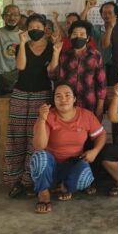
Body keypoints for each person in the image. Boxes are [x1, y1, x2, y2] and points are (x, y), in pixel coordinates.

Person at [30, 82, 106, 213]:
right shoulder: (48, 116)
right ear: (54, 100)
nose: (63, 99)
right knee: (39, 156)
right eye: (58, 96)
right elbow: (39, 146)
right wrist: (42, 119)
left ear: (74, 98)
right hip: (50, 167)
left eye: (67, 95)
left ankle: (65, 187)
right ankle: (43, 193)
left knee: (86, 175)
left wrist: (95, 151)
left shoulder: (86, 115)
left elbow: (101, 135)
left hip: (73, 164)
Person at [5, 13, 55, 197]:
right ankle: (14, 181)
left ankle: (29, 180)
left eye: (38, 27)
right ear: (26, 29)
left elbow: (53, 72)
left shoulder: (51, 47)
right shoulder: (22, 46)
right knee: (16, 136)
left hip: (42, 95)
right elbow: (21, 66)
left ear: (45, 29)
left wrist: (56, 51)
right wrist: (22, 42)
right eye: (32, 27)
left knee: (35, 138)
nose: (35, 30)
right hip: (20, 94)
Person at [49, 20, 106, 121]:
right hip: (67, 105)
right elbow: (53, 76)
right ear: (70, 37)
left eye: (82, 34)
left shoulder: (96, 56)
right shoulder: (64, 55)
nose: (78, 37)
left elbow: (101, 84)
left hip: (89, 104)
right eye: (74, 34)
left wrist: (100, 107)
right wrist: (56, 53)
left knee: (88, 130)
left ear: (87, 38)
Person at [0, 4, 21, 94]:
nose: (12, 18)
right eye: (8, 14)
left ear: (19, 17)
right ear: (3, 17)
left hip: (17, 78)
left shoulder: (24, 35)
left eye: (15, 15)